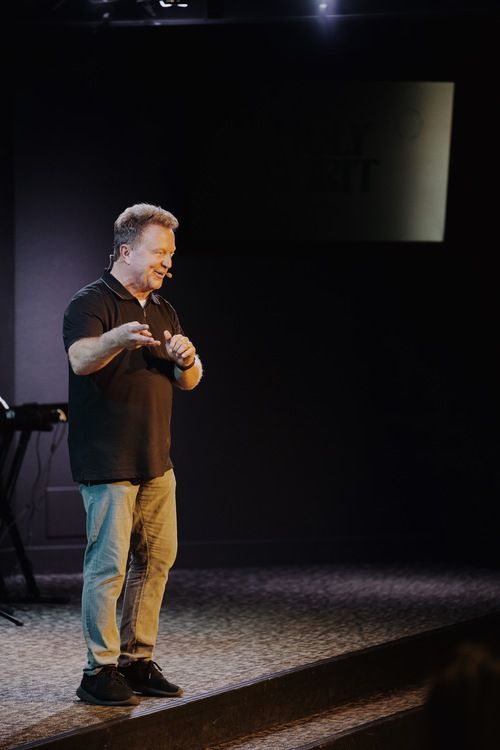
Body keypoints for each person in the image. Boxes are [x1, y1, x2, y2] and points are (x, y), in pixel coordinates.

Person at [63, 203, 203, 706]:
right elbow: (80, 359)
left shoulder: (164, 309)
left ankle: (136, 661)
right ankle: (98, 671)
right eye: (159, 252)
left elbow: (189, 381)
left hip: (155, 459)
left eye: (171, 254)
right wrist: (116, 340)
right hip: (107, 460)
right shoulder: (91, 302)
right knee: (109, 568)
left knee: (157, 560)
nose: (168, 262)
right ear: (126, 251)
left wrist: (188, 359)